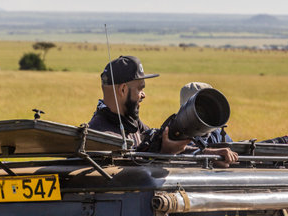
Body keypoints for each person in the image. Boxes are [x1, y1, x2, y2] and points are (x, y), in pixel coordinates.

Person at [88, 55, 238, 165]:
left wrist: (208, 154)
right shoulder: (100, 136)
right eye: (140, 89)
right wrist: (165, 152)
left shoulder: (132, 125)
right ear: (122, 89)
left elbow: (158, 145)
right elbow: (129, 170)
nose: (143, 95)